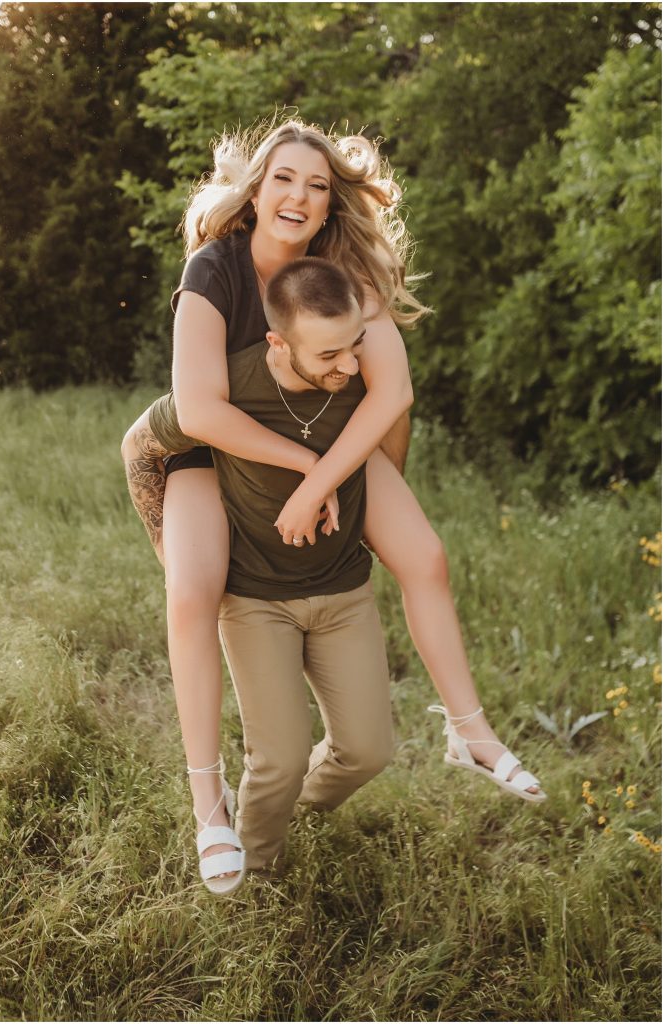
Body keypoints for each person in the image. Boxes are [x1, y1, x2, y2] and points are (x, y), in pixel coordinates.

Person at [121, 117, 545, 889]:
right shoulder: (214, 271)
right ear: (256, 192)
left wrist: (325, 484)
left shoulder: (337, 267)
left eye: (317, 186)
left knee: (425, 555)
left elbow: (395, 392)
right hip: (205, 448)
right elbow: (202, 410)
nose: (300, 196)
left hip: (319, 444)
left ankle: (469, 730)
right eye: (283, 178)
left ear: (329, 205)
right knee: (194, 591)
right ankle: (209, 801)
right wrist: (306, 467)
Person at [153, 258, 396, 885]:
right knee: (279, 759)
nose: (349, 365)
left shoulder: (357, 384)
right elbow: (150, 437)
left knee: (369, 751)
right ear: (278, 343)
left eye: (354, 348)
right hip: (257, 597)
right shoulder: (229, 389)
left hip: (342, 591)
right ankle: (256, 872)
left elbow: (395, 434)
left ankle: (295, 807)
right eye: (330, 354)